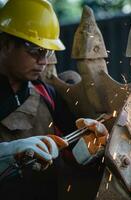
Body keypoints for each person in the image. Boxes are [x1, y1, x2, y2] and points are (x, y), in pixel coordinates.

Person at [0, 0, 108, 199]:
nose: (43, 61)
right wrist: (9, 152)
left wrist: (91, 144)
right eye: (35, 50)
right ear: (5, 44)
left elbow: (73, 154)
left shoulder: (47, 95)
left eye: (47, 52)